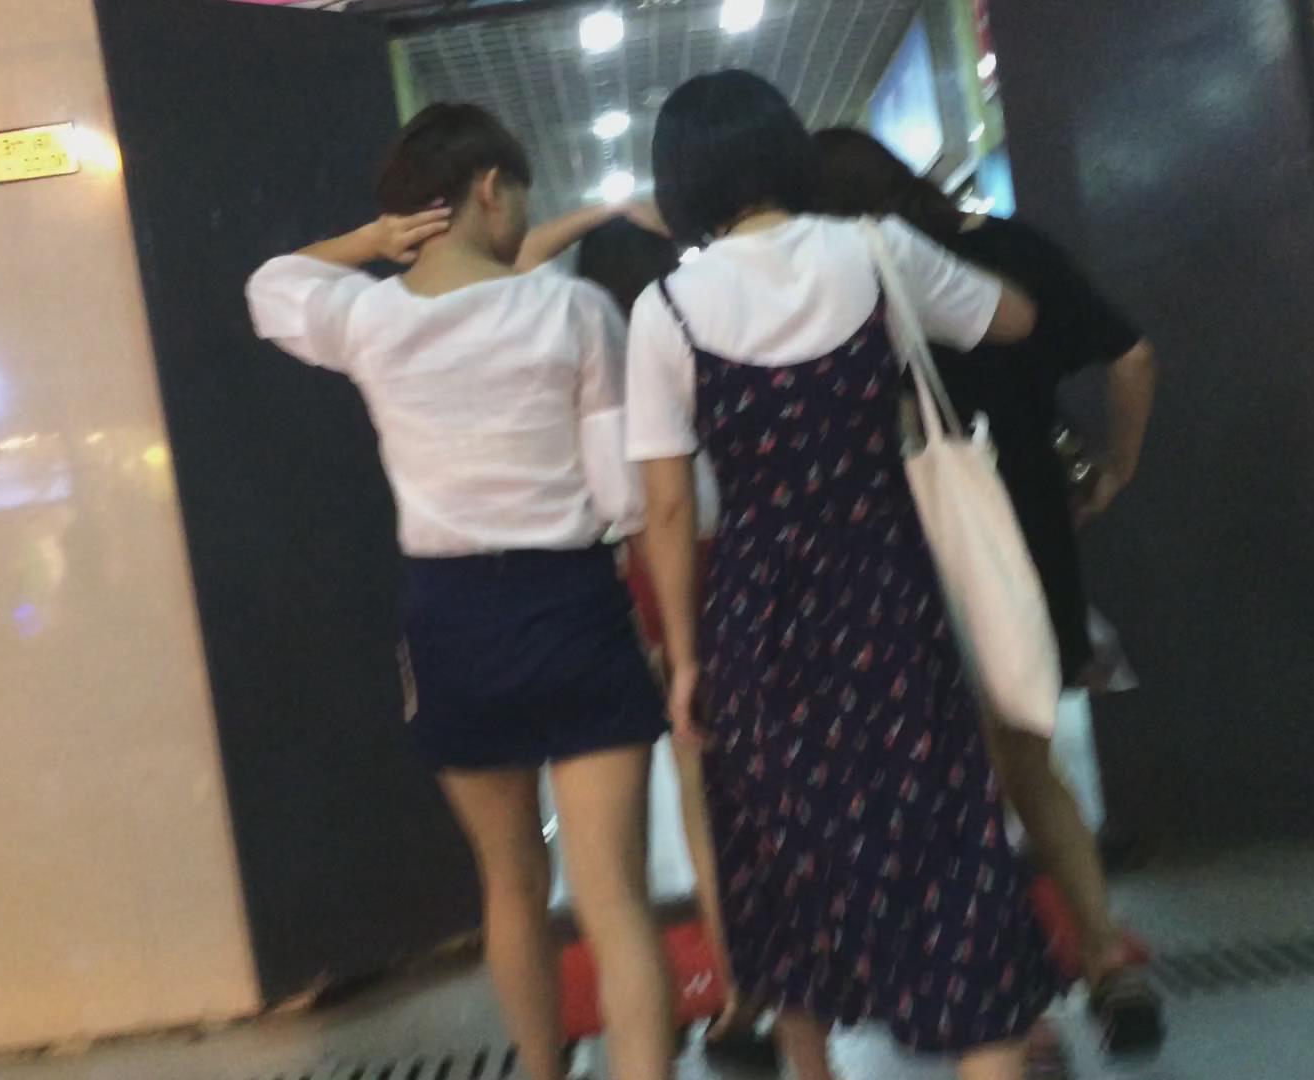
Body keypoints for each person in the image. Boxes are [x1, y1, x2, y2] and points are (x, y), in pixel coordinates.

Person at [629, 70, 1057, 1080]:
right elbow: (1013, 320)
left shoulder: (666, 309)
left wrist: (685, 661)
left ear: (681, 181)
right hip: (886, 591)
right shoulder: (877, 250)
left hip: (757, 614)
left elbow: (668, 510)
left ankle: (810, 1059)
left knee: (785, 852)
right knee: (944, 840)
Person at [245, 103, 674, 1080]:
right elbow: (622, 497)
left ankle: (541, 1068)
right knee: (613, 898)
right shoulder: (573, 311)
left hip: (452, 621)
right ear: (490, 188)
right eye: (519, 195)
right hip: (573, 604)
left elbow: (272, 284)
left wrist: (373, 242)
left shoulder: (368, 319)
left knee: (510, 884)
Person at [811, 126, 1163, 1056]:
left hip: (909, 554)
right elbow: (1131, 356)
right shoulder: (1008, 247)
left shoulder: (842, 279)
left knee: (950, 788)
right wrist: (1117, 467)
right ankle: (1106, 957)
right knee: (1029, 764)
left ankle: (1018, 1015)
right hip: (1026, 541)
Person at [573, 217, 777, 1069]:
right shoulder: (706, 329)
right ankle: (790, 976)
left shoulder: (602, 365)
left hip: (664, 570)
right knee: (763, 782)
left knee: (702, 792)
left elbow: (630, 505)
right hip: (748, 557)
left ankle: (747, 989)